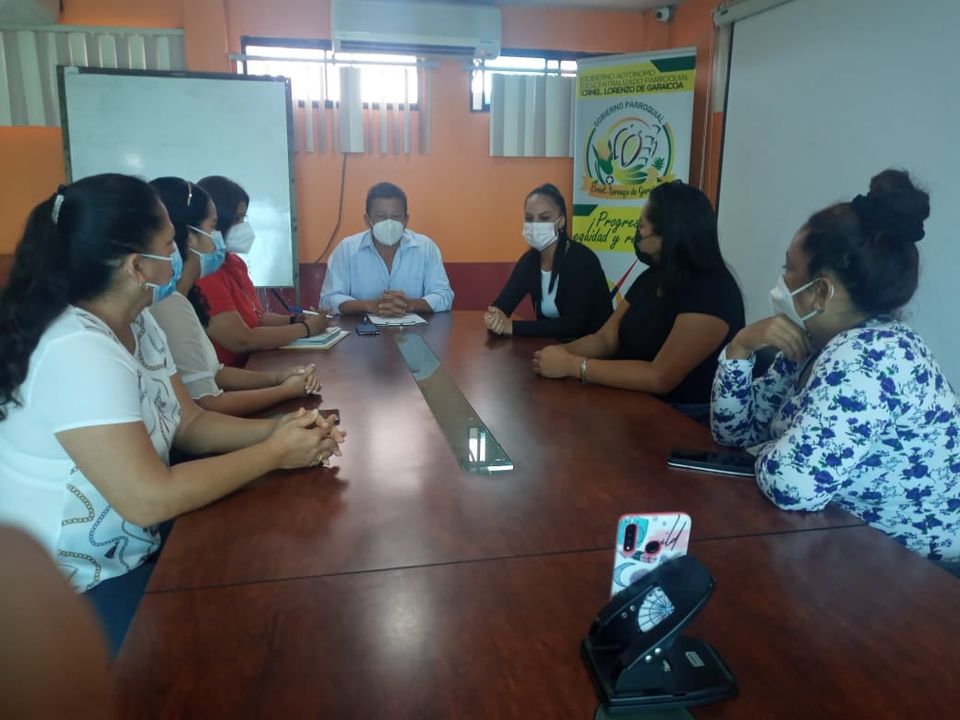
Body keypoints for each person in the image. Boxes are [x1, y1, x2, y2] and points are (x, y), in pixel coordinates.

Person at [0, 174, 346, 654]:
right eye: (168, 245)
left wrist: (280, 430)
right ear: (136, 266)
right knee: (240, 632)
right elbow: (147, 498)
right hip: (65, 590)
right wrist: (274, 453)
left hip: (131, 550)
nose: (178, 255)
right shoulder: (77, 347)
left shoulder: (140, 322)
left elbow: (191, 423)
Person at [711, 169, 960, 569]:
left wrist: (773, 450)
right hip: (847, 541)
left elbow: (792, 485)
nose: (781, 280)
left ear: (821, 291)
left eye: (788, 269)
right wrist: (740, 347)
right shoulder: (813, 340)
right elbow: (736, 432)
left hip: (920, 576)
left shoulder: (870, 358)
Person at [532, 182, 744, 412]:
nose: (638, 233)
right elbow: (606, 339)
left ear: (669, 234)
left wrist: (573, 366)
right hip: (633, 403)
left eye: (642, 226)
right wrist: (558, 354)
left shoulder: (713, 291)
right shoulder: (651, 277)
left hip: (682, 417)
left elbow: (659, 377)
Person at [149, 177, 323, 415]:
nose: (241, 227)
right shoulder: (171, 304)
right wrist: (285, 389)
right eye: (214, 226)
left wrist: (280, 378)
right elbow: (208, 404)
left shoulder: (185, 297)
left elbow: (215, 373)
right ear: (190, 237)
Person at [195, 175, 329, 367]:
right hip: (231, 373)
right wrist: (306, 328)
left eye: (244, 218)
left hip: (254, 363)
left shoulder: (235, 263)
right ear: (217, 221)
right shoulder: (206, 273)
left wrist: (294, 319)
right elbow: (242, 339)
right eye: (237, 219)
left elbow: (258, 317)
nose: (243, 226)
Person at [485, 183, 612, 339]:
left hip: (592, 347)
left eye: (544, 218)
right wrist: (494, 317)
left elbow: (572, 326)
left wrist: (512, 327)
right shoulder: (529, 261)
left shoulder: (581, 259)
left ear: (561, 221)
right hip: (553, 347)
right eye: (529, 218)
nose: (535, 225)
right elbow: (502, 305)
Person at [320, 181, 454, 316]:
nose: (389, 224)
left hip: (415, 327)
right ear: (367, 220)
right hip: (360, 326)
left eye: (395, 217)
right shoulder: (347, 249)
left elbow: (444, 296)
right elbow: (328, 300)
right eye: (381, 217)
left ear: (405, 220)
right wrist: (368, 305)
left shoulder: (425, 248)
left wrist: (409, 304)